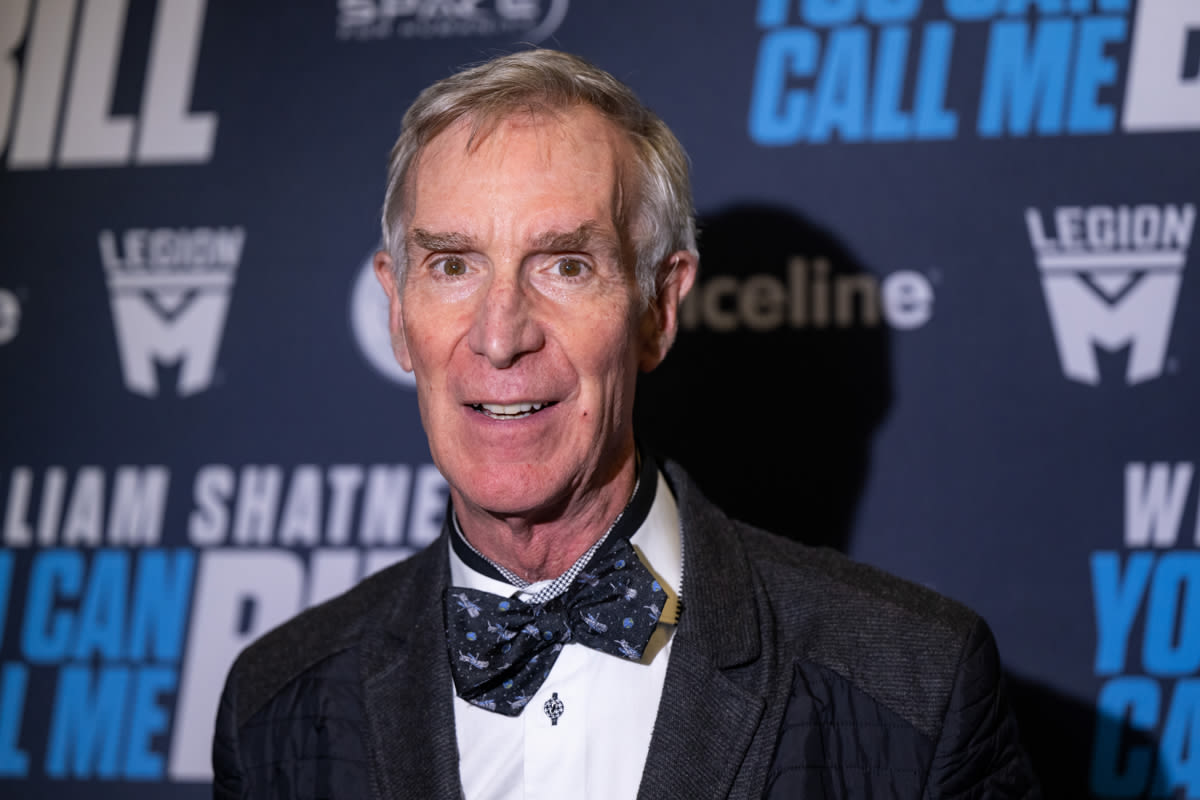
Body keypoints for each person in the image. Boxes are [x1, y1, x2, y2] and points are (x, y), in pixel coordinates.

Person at [212, 49, 1039, 799]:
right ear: (397, 312)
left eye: (566, 265)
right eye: (454, 265)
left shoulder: (917, 687)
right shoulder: (278, 709)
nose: (500, 336)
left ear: (657, 309)